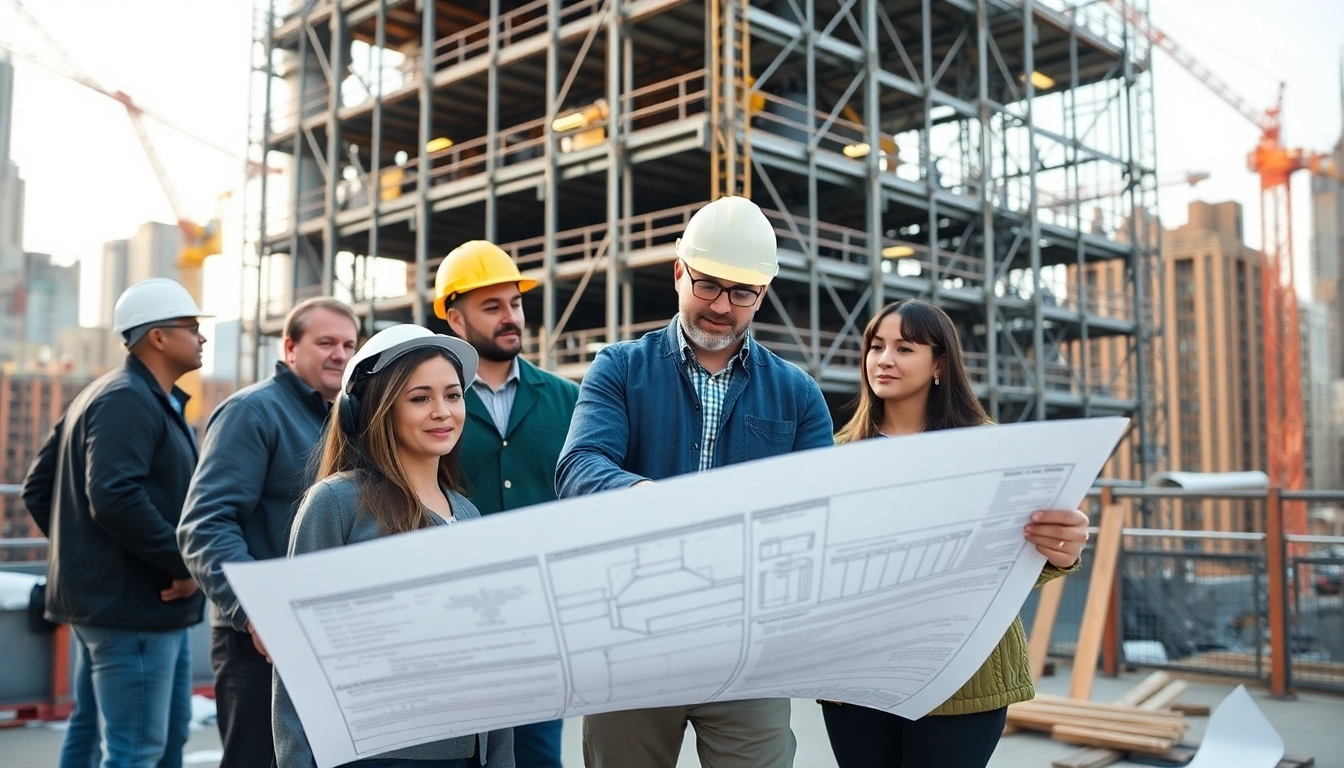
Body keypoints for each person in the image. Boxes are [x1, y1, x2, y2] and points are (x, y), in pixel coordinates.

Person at [556, 196, 834, 768]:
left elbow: (821, 505)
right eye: (708, 285)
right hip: (632, 636)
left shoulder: (797, 393)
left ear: (762, 294)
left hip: (747, 648)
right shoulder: (620, 368)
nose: (722, 306)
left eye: (742, 293)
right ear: (679, 272)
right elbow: (580, 464)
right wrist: (649, 499)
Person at [818, 298, 1090, 768]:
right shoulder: (833, 453)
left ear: (940, 363)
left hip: (963, 671)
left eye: (905, 348)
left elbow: (1018, 556)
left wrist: (1059, 551)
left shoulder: (992, 449)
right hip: (858, 670)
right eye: (876, 347)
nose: (884, 359)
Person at [272, 324, 514, 768]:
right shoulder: (336, 503)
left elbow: (489, 661)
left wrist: (499, 757)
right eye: (420, 398)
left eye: (453, 395)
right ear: (375, 410)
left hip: (465, 755)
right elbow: (299, 658)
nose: (442, 412)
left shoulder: (468, 514)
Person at [21, 278, 210, 768]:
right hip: (137, 610)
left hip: (116, 606)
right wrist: (182, 564)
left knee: (93, 733)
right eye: (192, 327)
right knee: (138, 751)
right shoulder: (128, 400)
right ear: (158, 337)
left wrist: (90, 559)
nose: (202, 337)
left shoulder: (108, 394)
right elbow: (114, 497)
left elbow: (39, 489)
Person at [177, 297, 359, 768]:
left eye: (349, 344)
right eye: (326, 342)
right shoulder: (251, 412)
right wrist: (258, 613)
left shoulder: (348, 421)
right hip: (258, 643)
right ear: (290, 348)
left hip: (331, 637)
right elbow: (204, 524)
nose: (340, 354)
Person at [433, 240, 577, 768]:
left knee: (538, 756)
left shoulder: (568, 398)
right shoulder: (435, 404)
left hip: (541, 621)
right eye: (491, 307)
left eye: (514, 303)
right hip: (454, 620)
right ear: (455, 319)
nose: (510, 317)